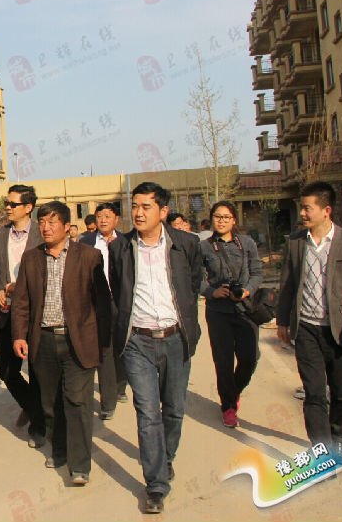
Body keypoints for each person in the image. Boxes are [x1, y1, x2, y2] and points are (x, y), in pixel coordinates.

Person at [108, 182, 202, 514]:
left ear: (163, 211)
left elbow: (193, 284)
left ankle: (167, 457)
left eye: (146, 206)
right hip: (138, 341)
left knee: (174, 409)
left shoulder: (187, 244)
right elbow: (118, 290)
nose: (138, 213)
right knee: (148, 413)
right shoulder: (120, 248)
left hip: (176, 339)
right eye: (134, 206)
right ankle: (156, 485)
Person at [11, 201, 112, 486]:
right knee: (49, 401)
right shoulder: (31, 259)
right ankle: (59, 450)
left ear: (67, 226)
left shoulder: (89, 256)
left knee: (77, 401)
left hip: (78, 340)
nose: (46, 227)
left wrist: (103, 342)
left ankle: (80, 466)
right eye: (42, 222)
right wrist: (19, 335)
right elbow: (21, 302)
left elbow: (103, 303)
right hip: (43, 340)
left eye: (52, 222)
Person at [276, 181, 342, 463]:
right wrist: (283, 321)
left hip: (339, 331)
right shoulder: (295, 242)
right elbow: (287, 284)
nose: (302, 213)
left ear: (326, 210)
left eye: (307, 208)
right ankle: (321, 447)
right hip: (306, 328)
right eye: (301, 208)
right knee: (314, 392)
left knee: (340, 392)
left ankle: (339, 438)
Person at [0, 184, 46, 444]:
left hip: (38, 312)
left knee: (39, 371)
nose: (8, 207)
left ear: (28, 207)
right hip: (8, 311)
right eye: (6, 203)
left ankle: (39, 428)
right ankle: (33, 406)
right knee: (6, 369)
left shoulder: (42, 234)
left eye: (13, 204)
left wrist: (20, 286)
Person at [199, 201, 263, 428]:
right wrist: (212, 291)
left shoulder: (247, 243)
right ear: (212, 219)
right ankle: (228, 406)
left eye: (226, 217)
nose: (222, 221)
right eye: (218, 216)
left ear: (234, 220)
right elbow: (197, 278)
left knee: (250, 358)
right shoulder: (204, 247)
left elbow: (257, 273)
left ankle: (234, 391)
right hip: (218, 312)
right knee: (223, 361)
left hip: (245, 309)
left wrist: (247, 290)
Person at [79, 202, 128, 417]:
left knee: (121, 346)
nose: (103, 220)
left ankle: (120, 385)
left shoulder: (126, 242)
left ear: (116, 219)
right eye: (100, 216)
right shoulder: (86, 242)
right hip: (97, 302)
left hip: (121, 301)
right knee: (104, 349)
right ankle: (108, 403)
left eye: (108, 216)